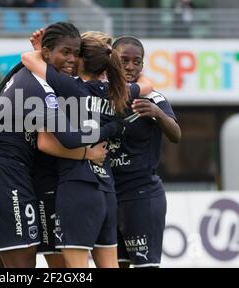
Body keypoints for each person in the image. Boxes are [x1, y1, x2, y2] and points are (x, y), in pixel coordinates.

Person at [0, 22, 124, 268]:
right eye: (66, 53)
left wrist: (40, 52)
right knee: (23, 264)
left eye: (76, 53)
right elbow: (67, 138)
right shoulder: (42, 88)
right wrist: (99, 140)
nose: (72, 59)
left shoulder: (27, 73)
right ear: (47, 54)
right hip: (6, 174)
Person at [21, 30, 152, 268]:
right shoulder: (117, 93)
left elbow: (28, 58)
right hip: (106, 190)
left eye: (75, 54)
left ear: (81, 58)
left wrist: (44, 49)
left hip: (77, 187)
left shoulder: (70, 87)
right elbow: (147, 84)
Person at [112, 36, 181, 268]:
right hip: (109, 195)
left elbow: (176, 135)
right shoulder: (101, 95)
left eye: (137, 61)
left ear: (143, 65)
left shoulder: (153, 97)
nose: (130, 66)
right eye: (124, 60)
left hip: (141, 195)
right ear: (112, 60)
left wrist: (158, 114)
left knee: (145, 266)